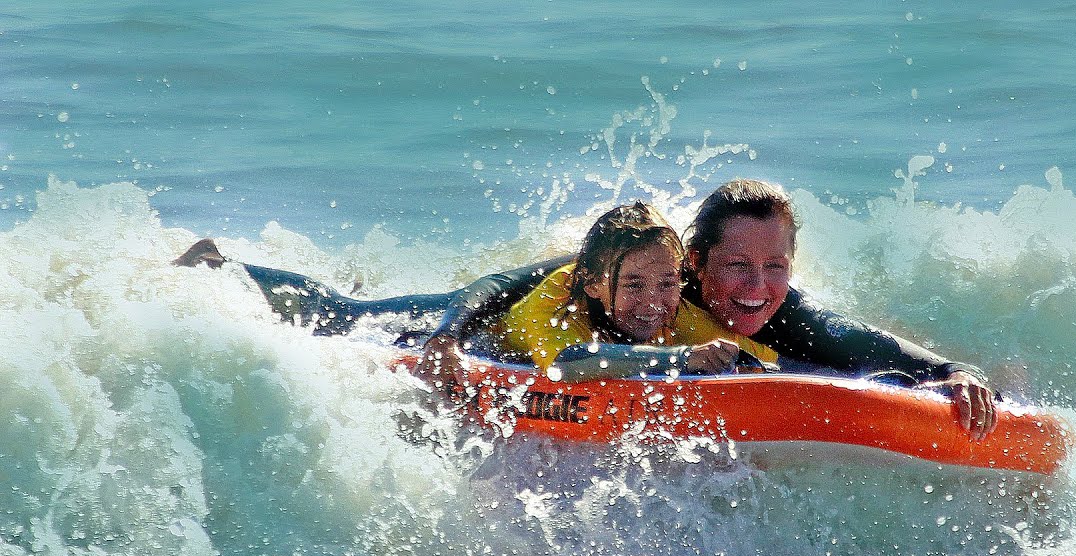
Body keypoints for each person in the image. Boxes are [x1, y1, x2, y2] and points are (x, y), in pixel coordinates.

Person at [175, 179, 996, 439]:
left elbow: (852, 346)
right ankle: (223, 269)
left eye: (775, 267)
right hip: (486, 330)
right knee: (343, 312)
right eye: (736, 266)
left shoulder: (774, 310)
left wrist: (947, 374)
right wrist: (444, 336)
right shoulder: (612, 277)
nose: (755, 288)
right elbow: (497, 300)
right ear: (695, 261)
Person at [496, 201, 775, 381]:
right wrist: (683, 358)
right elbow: (565, 364)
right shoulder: (556, 302)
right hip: (494, 349)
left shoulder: (677, 316)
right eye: (634, 285)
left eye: (667, 283)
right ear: (593, 285)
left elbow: (764, 361)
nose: (653, 303)